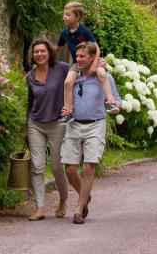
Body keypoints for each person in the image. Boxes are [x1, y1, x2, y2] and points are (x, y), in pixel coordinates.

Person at [60, 41, 121, 224]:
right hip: (74, 124)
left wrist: (115, 103)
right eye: (77, 56)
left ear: (93, 58)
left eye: (82, 57)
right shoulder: (73, 76)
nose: (78, 60)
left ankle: (78, 209)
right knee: (70, 169)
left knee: (88, 166)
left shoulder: (104, 78)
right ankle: (84, 196)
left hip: (95, 124)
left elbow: (116, 99)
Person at [25, 39, 69, 221]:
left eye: (43, 51)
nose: (40, 54)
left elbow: (81, 68)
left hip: (58, 123)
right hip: (35, 124)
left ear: (49, 53)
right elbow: (30, 102)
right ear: (33, 55)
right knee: (37, 167)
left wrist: (98, 61)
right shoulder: (30, 76)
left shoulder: (62, 68)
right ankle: (40, 207)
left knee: (58, 167)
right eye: (36, 52)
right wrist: (26, 127)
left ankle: (63, 200)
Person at [58, 1, 118, 115]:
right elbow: (56, 49)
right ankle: (67, 111)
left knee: (101, 74)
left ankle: (111, 102)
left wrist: (95, 64)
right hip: (77, 63)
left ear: (78, 17)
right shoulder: (64, 33)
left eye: (68, 14)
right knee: (67, 82)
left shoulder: (85, 30)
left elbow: (97, 49)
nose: (64, 17)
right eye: (64, 14)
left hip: (91, 60)